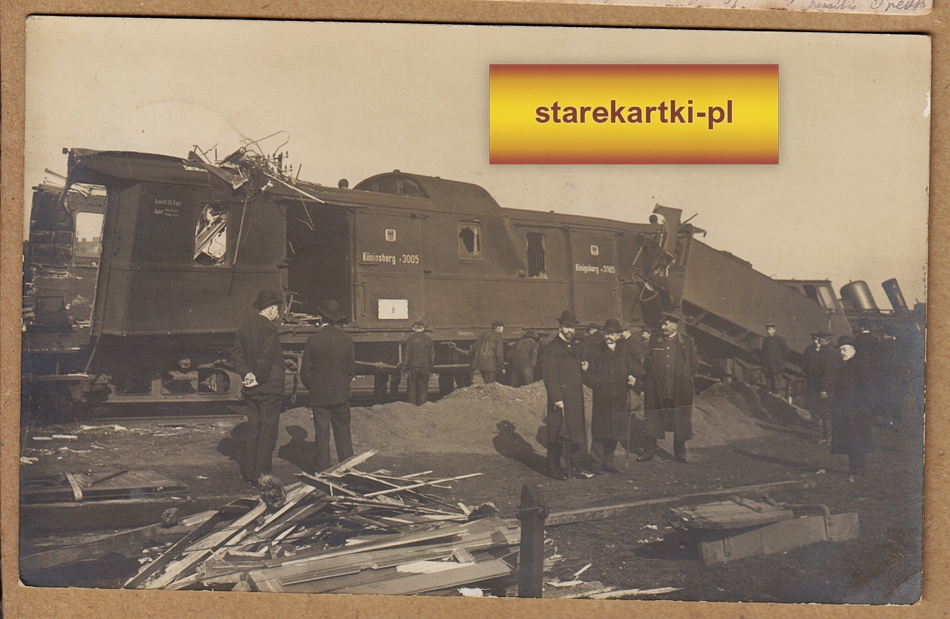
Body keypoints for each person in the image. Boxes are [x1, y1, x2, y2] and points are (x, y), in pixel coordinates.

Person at [232, 290, 285, 485]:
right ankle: (262, 475)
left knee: (253, 429)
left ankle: (249, 473)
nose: (277, 314)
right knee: (268, 431)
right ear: (270, 310)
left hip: (251, 389)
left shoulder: (244, 327)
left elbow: (237, 355)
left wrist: (246, 374)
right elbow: (266, 356)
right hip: (268, 387)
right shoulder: (270, 328)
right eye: (277, 310)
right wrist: (259, 378)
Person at [301, 299, 356, 472]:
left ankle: (323, 471)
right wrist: (342, 385)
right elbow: (351, 370)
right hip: (341, 394)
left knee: (322, 434)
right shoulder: (346, 339)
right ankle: (348, 469)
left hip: (320, 396)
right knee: (343, 432)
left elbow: (305, 372)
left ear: (320, 318)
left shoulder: (313, 340)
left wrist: (315, 387)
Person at [583, 319, 644, 474]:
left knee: (615, 432)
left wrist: (632, 379)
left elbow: (634, 368)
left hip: (619, 398)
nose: (609, 337)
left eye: (612, 334)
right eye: (606, 333)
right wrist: (598, 385)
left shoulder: (623, 352)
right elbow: (587, 374)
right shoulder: (595, 351)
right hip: (602, 398)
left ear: (617, 336)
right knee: (600, 432)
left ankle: (608, 463)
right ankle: (596, 464)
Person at [640, 312, 699, 463]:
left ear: (675, 325)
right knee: (652, 417)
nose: (663, 327)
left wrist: (683, 377)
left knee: (680, 419)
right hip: (657, 387)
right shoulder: (655, 340)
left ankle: (680, 453)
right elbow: (647, 362)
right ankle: (649, 451)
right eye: (662, 324)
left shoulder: (686, 341)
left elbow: (694, 364)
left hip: (679, 388)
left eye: (666, 324)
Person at [542, 310, 591, 479]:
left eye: (573, 328)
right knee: (556, 435)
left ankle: (575, 468)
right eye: (567, 327)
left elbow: (573, 372)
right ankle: (553, 469)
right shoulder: (552, 347)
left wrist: (583, 368)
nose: (571, 331)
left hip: (574, 399)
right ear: (560, 327)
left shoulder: (573, 347)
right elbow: (549, 375)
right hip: (561, 399)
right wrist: (556, 398)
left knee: (575, 433)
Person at [831, 335, 874, 479]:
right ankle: (853, 466)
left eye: (845, 349)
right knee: (848, 438)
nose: (842, 353)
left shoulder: (860, 366)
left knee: (857, 439)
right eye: (840, 350)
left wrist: (861, 405)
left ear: (853, 351)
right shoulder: (841, 367)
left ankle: (858, 468)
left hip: (857, 410)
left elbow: (868, 388)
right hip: (844, 409)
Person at [803, 331, 838, 443]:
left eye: (821, 338)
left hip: (826, 388)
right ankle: (827, 435)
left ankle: (829, 436)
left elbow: (829, 373)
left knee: (826, 411)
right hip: (820, 385)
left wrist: (824, 389)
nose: (819, 340)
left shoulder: (830, 352)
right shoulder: (824, 350)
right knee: (823, 410)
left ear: (826, 339)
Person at [855, 320, 886, 426]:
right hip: (873, 371)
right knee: (873, 393)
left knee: (862, 393)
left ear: (862, 328)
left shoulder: (857, 340)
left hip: (860, 370)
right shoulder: (875, 340)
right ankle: (875, 416)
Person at [880, 323, 907, 429]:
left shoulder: (883, 345)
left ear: (885, 334)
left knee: (886, 398)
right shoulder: (900, 345)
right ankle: (897, 421)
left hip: (886, 377)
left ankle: (888, 421)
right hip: (897, 377)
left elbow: (881, 363)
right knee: (897, 398)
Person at [403, 320, 435, 406]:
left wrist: (403, 368)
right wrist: (431, 368)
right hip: (425, 367)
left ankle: (411, 407)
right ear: (423, 328)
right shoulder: (429, 339)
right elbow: (432, 355)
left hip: (412, 367)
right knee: (423, 388)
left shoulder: (411, 338)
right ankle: (422, 407)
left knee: (411, 388)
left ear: (413, 328)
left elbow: (406, 355)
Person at [761, 323, 790, 399]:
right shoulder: (766, 340)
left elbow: (786, 352)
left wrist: (780, 362)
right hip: (768, 367)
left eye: (770, 329)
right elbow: (764, 353)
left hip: (777, 366)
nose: (768, 331)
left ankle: (781, 400)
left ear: (774, 330)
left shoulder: (780, 339)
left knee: (779, 385)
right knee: (769, 386)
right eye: (767, 329)